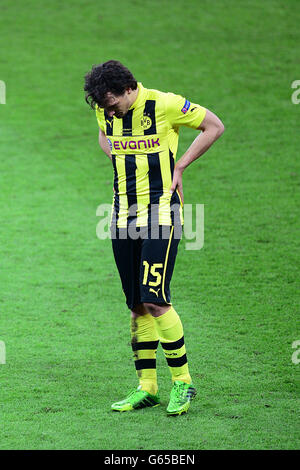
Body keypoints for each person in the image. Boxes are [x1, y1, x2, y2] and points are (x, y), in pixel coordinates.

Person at [84, 60, 224, 415]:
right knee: (136, 304)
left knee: (156, 298)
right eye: (102, 106)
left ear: (129, 88)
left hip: (161, 213)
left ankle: (184, 383)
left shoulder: (164, 104)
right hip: (120, 214)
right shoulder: (107, 110)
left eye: (111, 102)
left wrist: (180, 166)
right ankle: (147, 387)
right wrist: (119, 154)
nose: (107, 110)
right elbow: (103, 135)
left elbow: (213, 126)